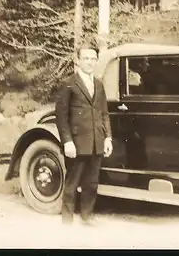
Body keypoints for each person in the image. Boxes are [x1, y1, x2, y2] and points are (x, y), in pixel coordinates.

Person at [55, 46, 113, 226]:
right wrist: (67, 142)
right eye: (86, 58)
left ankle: (87, 217)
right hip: (77, 144)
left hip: (97, 142)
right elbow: (61, 117)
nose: (89, 62)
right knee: (72, 184)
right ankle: (67, 222)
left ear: (96, 61)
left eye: (93, 59)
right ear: (78, 60)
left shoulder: (99, 84)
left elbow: (104, 113)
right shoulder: (68, 84)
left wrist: (108, 138)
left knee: (92, 183)